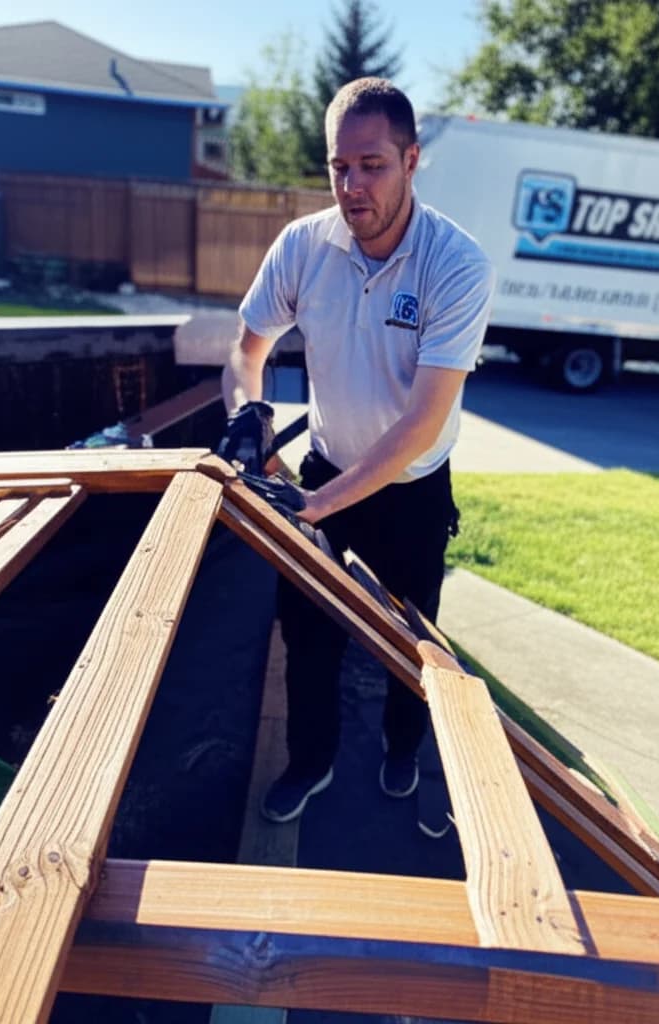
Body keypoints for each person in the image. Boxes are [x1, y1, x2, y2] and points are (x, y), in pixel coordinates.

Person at [218, 77, 496, 827]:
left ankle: (403, 748)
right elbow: (246, 350)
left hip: (411, 490)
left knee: (410, 640)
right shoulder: (304, 246)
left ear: (411, 160)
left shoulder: (457, 265)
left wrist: (313, 507)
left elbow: (423, 420)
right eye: (339, 167)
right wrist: (247, 412)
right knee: (307, 629)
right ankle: (310, 761)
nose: (352, 186)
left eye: (372, 165)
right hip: (328, 467)